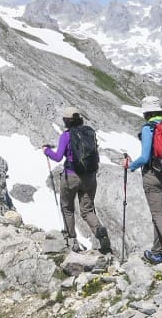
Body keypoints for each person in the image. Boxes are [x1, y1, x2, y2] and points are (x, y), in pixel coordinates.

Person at [126, 96, 162, 269]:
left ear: (146, 113)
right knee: (160, 215)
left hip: (153, 177)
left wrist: (131, 166)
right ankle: (156, 253)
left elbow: (144, 157)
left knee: (158, 215)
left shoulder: (148, 128)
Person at [43, 107, 111, 254]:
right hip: (90, 176)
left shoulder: (66, 136)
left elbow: (58, 157)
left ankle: (70, 239)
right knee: (87, 210)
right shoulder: (89, 133)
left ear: (66, 121)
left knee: (67, 207)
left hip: (71, 176)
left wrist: (46, 151)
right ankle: (100, 231)